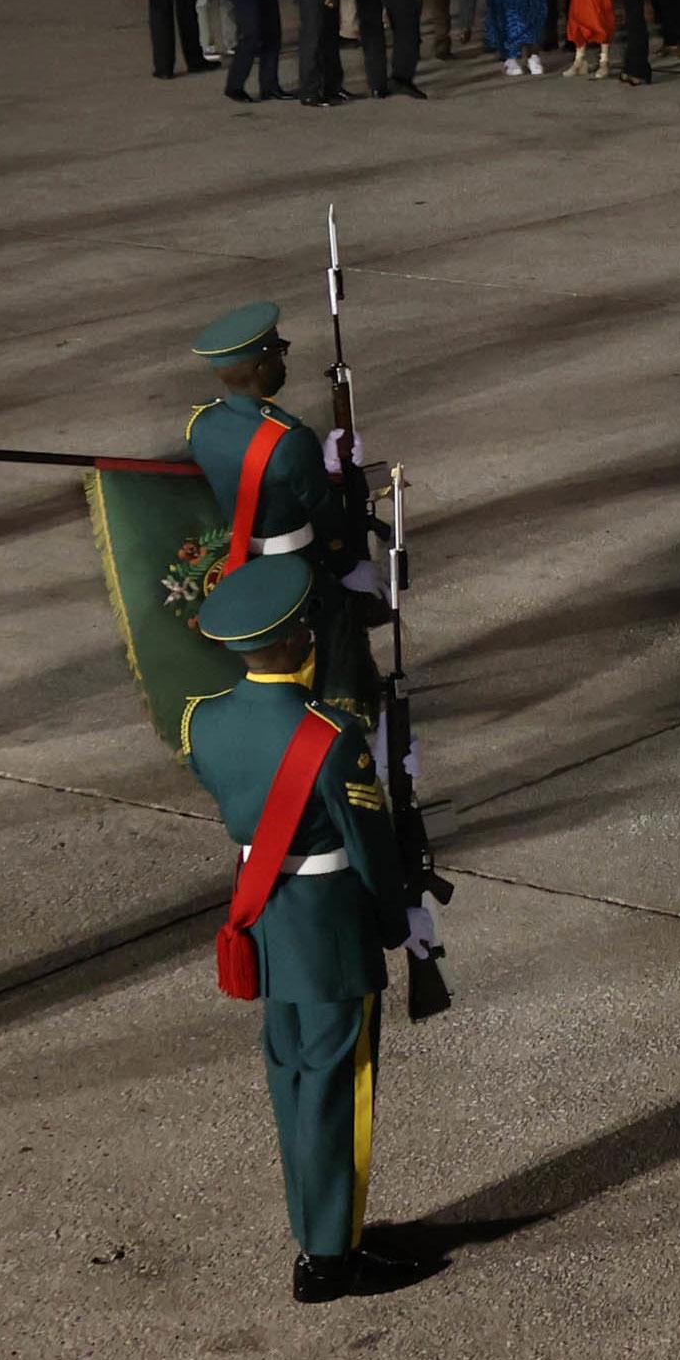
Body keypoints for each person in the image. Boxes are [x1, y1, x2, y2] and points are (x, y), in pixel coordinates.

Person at [153, 413, 430, 1302]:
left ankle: (316, 1231)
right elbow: (368, 846)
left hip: (267, 916)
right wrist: (400, 922)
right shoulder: (328, 737)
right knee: (339, 1088)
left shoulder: (204, 721)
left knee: (292, 1081)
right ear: (297, 638)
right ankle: (333, 1254)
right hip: (329, 925)